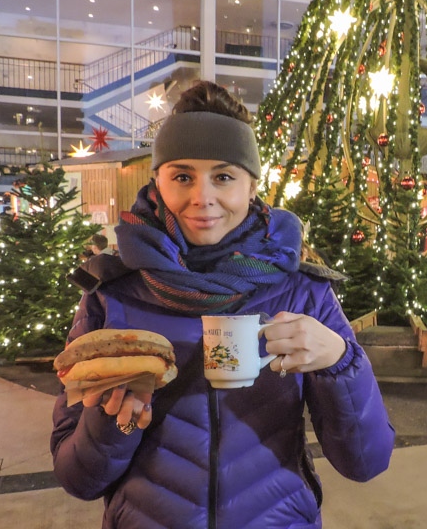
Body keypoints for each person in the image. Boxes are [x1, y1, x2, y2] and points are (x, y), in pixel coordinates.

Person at [51, 80, 395, 528]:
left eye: (224, 177)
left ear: (252, 185)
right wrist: (113, 422)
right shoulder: (112, 295)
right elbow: (78, 478)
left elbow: (365, 463)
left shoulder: (303, 292)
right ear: (157, 181)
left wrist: (340, 362)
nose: (202, 197)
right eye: (182, 176)